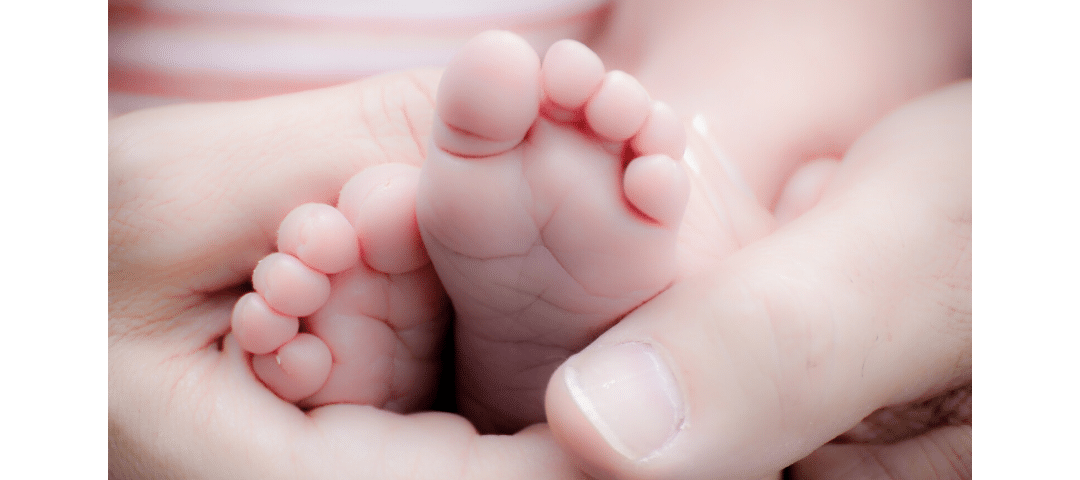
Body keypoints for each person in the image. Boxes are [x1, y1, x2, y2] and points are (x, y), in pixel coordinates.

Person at [109, 1, 970, 479]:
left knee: (764, 42)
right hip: (177, 251)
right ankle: (646, 239)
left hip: (277, 257)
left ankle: (708, 173)